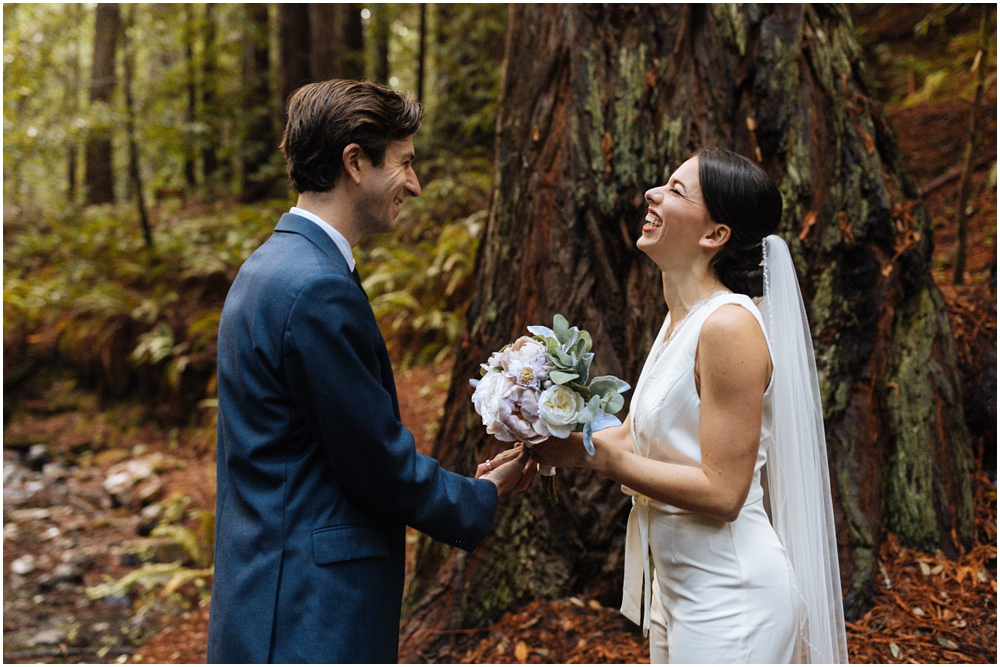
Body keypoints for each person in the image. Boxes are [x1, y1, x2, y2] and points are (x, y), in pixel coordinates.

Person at [206, 80, 535, 663]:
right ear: (355, 161)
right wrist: (482, 494)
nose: (414, 183)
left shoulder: (269, 266)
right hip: (310, 611)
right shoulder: (315, 288)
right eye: (404, 163)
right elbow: (376, 463)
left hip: (263, 591)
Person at [530, 147, 848, 663]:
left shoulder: (728, 327)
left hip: (733, 596)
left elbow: (724, 492)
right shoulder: (680, 318)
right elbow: (635, 435)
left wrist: (600, 460)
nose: (653, 194)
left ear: (714, 235)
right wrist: (544, 446)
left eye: (676, 190)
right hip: (676, 592)